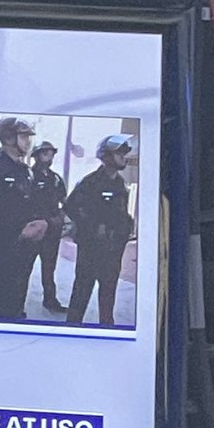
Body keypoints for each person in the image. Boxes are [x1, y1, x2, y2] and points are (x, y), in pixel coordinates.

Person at [0, 117, 47, 320]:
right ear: (8, 138)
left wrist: (38, 223)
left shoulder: (24, 170)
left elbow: (27, 205)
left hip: (18, 251)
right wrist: (16, 231)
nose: (28, 141)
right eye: (24, 136)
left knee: (14, 306)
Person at [64, 135, 135, 327]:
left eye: (123, 153)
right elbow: (70, 206)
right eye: (119, 153)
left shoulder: (120, 184)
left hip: (113, 252)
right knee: (81, 292)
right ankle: (72, 330)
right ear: (106, 157)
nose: (123, 157)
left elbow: (120, 214)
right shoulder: (90, 182)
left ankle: (106, 330)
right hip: (91, 250)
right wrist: (92, 227)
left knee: (108, 295)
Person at [26, 141, 68, 314]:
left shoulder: (56, 178)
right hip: (33, 229)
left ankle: (50, 300)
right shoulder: (28, 175)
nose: (48, 157)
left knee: (49, 268)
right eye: (45, 154)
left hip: (52, 231)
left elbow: (65, 201)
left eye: (51, 154)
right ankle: (16, 303)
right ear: (36, 156)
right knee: (24, 268)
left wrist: (61, 216)